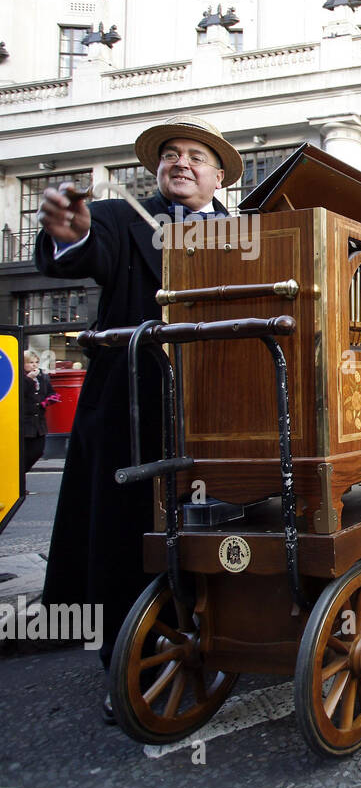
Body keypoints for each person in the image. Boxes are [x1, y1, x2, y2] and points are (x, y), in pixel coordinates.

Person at [34, 114, 243, 721]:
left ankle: (228, 632)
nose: (181, 162)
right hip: (134, 406)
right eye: (171, 155)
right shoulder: (123, 218)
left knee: (227, 522)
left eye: (196, 157)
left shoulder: (245, 232)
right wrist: (68, 228)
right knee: (129, 534)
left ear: (217, 175)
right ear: (156, 169)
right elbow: (76, 251)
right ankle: (130, 665)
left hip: (226, 409)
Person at [20, 350, 55, 473]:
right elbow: (18, 395)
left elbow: (51, 392)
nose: (34, 365)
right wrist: (28, 379)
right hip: (23, 423)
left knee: (37, 452)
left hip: (39, 424)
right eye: (30, 362)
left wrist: (50, 399)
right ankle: (19, 483)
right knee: (22, 455)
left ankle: (18, 476)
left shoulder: (42, 377)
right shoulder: (19, 377)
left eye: (36, 362)